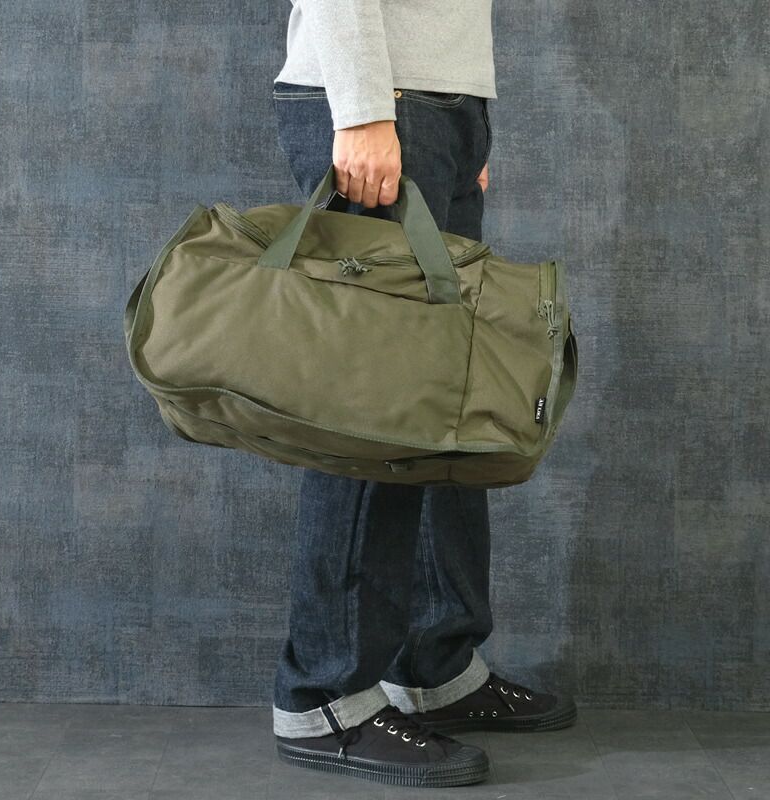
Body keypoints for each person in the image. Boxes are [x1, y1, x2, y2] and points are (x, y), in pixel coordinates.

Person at [269, 0, 577, 788]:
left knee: (444, 400)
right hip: (382, 100)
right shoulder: (372, 106)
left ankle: (438, 667)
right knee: (373, 407)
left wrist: (462, 117)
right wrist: (365, 109)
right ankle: (325, 697)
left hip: (432, 105)